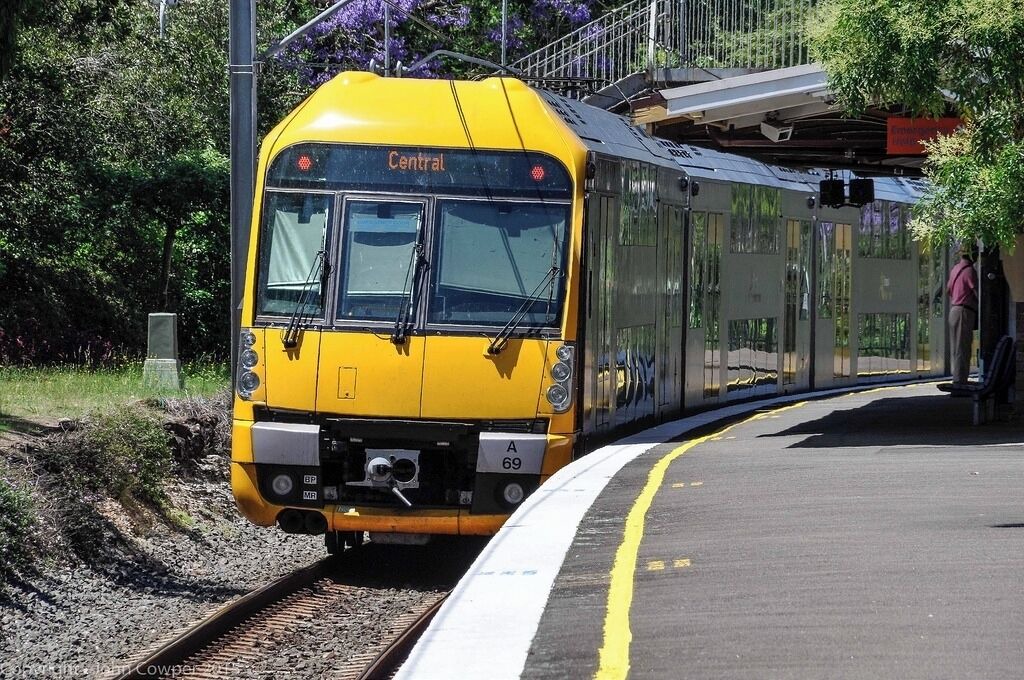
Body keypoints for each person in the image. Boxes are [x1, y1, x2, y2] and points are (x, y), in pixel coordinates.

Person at [947, 251, 978, 384]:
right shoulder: (970, 271)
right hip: (964, 311)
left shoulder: (955, 269)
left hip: (954, 310)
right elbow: (977, 292)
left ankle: (958, 379)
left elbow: (948, 289)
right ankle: (960, 382)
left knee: (956, 348)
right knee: (963, 348)